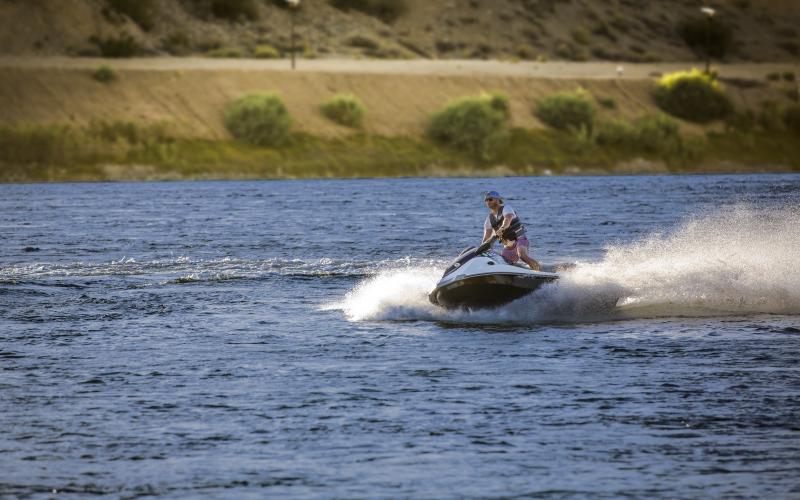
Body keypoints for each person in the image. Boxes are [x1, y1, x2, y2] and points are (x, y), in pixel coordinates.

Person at [481, 190, 541, 271]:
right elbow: (486, 238)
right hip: (508, 246)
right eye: (486, 200)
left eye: (490, 199)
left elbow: (507, 219)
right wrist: (481, 249)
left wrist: (502, 228)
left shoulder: (506, 208)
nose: (488, 201)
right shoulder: (489, 219)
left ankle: (539, 272)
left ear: (498, 200)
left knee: (522, 255)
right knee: (503, 264)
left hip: (520, 239)